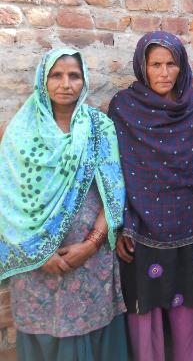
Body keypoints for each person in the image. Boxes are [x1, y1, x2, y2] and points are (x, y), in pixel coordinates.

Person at [108, 31, 193, 361]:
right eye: (155, 65)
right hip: (139, 230)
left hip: (190, 227)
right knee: (143, 315)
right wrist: (120, 225)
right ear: (142, 67)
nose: (164, 73)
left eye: (171, 64)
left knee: (190, 314)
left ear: (182, 67)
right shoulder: (123, 107)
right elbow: (114, 172)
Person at [0, 48, 128, 360]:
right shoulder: (19, 131)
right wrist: (38, 253)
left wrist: (92, 244)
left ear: (85, 81)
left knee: (91, 331)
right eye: (56, 76)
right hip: (34, 262)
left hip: (88, 258)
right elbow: (6, 201)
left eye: (74, 76)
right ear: (42, 81)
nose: (65, 84)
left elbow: (113, 191)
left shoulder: (99, 127)